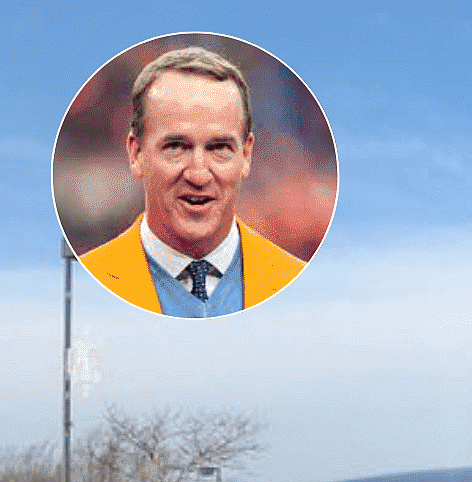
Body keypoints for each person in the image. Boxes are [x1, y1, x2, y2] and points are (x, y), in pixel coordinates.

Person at [79, 46, 306, 317]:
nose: (198, 175)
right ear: (135, 153)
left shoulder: (296, 282)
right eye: (176, 147)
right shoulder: (86, 284)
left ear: (246, 156)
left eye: (219, 148)